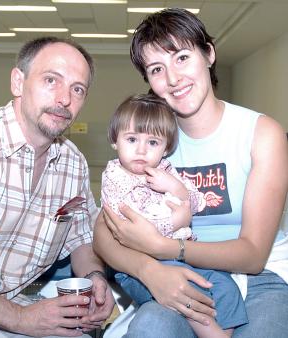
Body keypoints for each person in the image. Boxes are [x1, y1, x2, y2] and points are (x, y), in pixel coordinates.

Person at [93, 8, 288, 338]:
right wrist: (149, 269)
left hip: (259, 276)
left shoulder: (261, 133)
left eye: (182, 57)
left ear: (209, 54)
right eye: (157, 69)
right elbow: (102, 233)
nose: (172, 78)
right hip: (175, 273)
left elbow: (253, 255)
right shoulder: (149, 142)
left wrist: (166, 248)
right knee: (151, 328)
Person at [0, 36, 115, 338]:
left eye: (78, 89)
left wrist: (94, 277)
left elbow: (82, 241)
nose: (64, 99)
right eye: (51, 80)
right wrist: (18, 318)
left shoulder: (73, 163)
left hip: (16, 307)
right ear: (18, 83)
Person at [101, 93, 247, 337]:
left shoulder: (165, 170)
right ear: (115, 140)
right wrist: (176, 221)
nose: (141, 150)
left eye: (153, 143)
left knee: (224, 286)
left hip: (182, 258)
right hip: (139, 267)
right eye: (132, 139)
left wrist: (175, 187)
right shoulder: (116, 178)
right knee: (190, 290)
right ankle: (213, 334)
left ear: (166, 148)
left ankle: (225, 332)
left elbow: (197, 201)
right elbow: (130, 227)